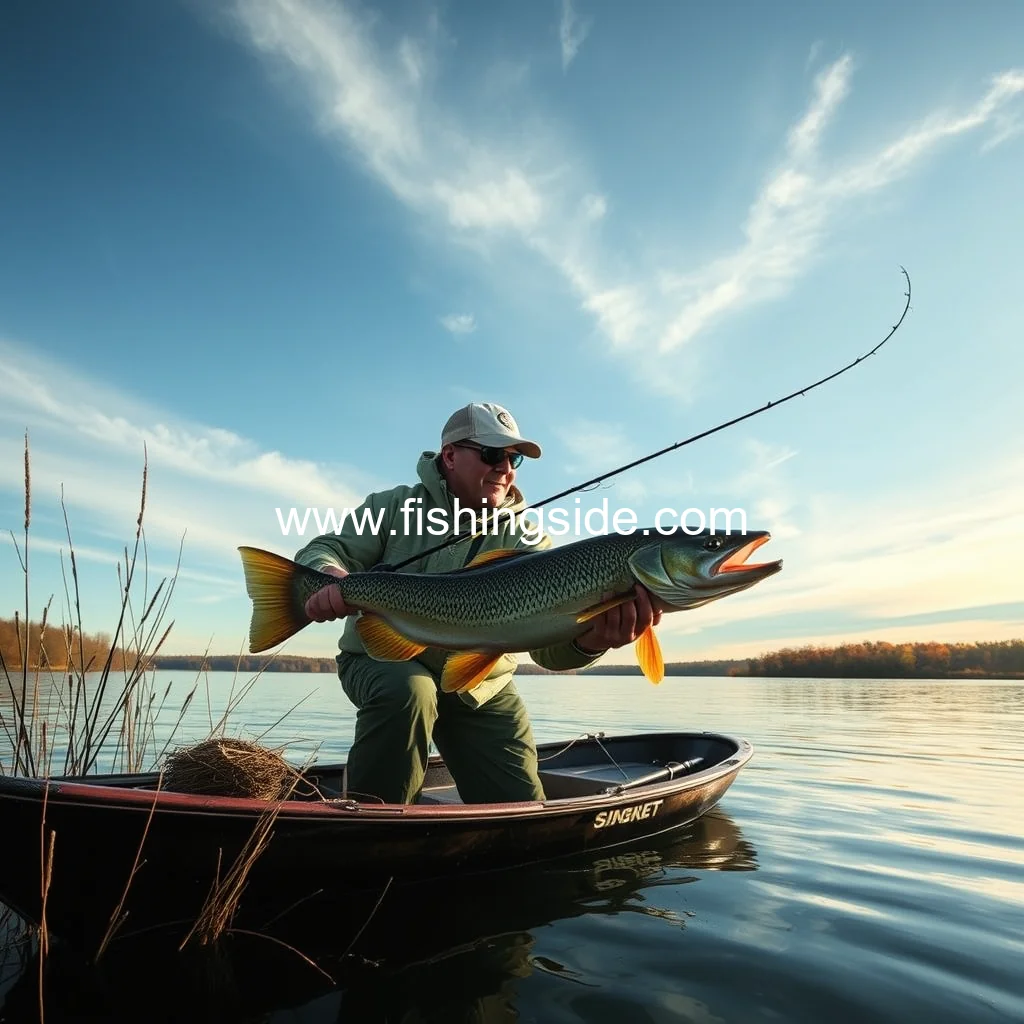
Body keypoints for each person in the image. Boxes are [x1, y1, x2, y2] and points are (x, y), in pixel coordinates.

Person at [294, 402, 661, 805]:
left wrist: (592, 642)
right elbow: (325, 549)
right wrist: (328, 574)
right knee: (410, 692)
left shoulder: (530, 540)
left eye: (514, 458)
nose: (505, 467)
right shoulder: (392, 506)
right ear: (450, 456)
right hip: (383, 659)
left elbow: (548, 651)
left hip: (481, 683)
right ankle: (372, 823)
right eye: (491, 453)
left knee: (522, 809)